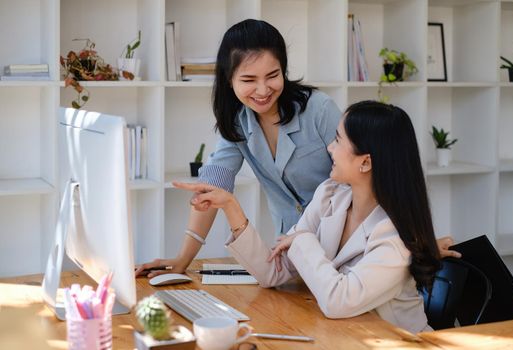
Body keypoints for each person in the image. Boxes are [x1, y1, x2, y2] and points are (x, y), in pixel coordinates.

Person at [135, 19, 458, 278]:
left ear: (284, 71)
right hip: (292, 252)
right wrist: (181, 261)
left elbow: (373, 169)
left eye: (273, 75)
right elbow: (213, 189)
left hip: (350, 246)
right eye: (248, 79)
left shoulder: (318, 109)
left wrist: (416, 241)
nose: (263, 90)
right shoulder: (236, 122)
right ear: (229, 80)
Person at [173, 101, 441, 333]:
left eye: (338, 140)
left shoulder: (393, 236)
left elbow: (338, 301)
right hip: (343, 336)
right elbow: (273, 272)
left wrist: (302, 240)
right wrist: (231, 207)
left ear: (366, 162)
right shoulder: (329, 195)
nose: (329, 148)